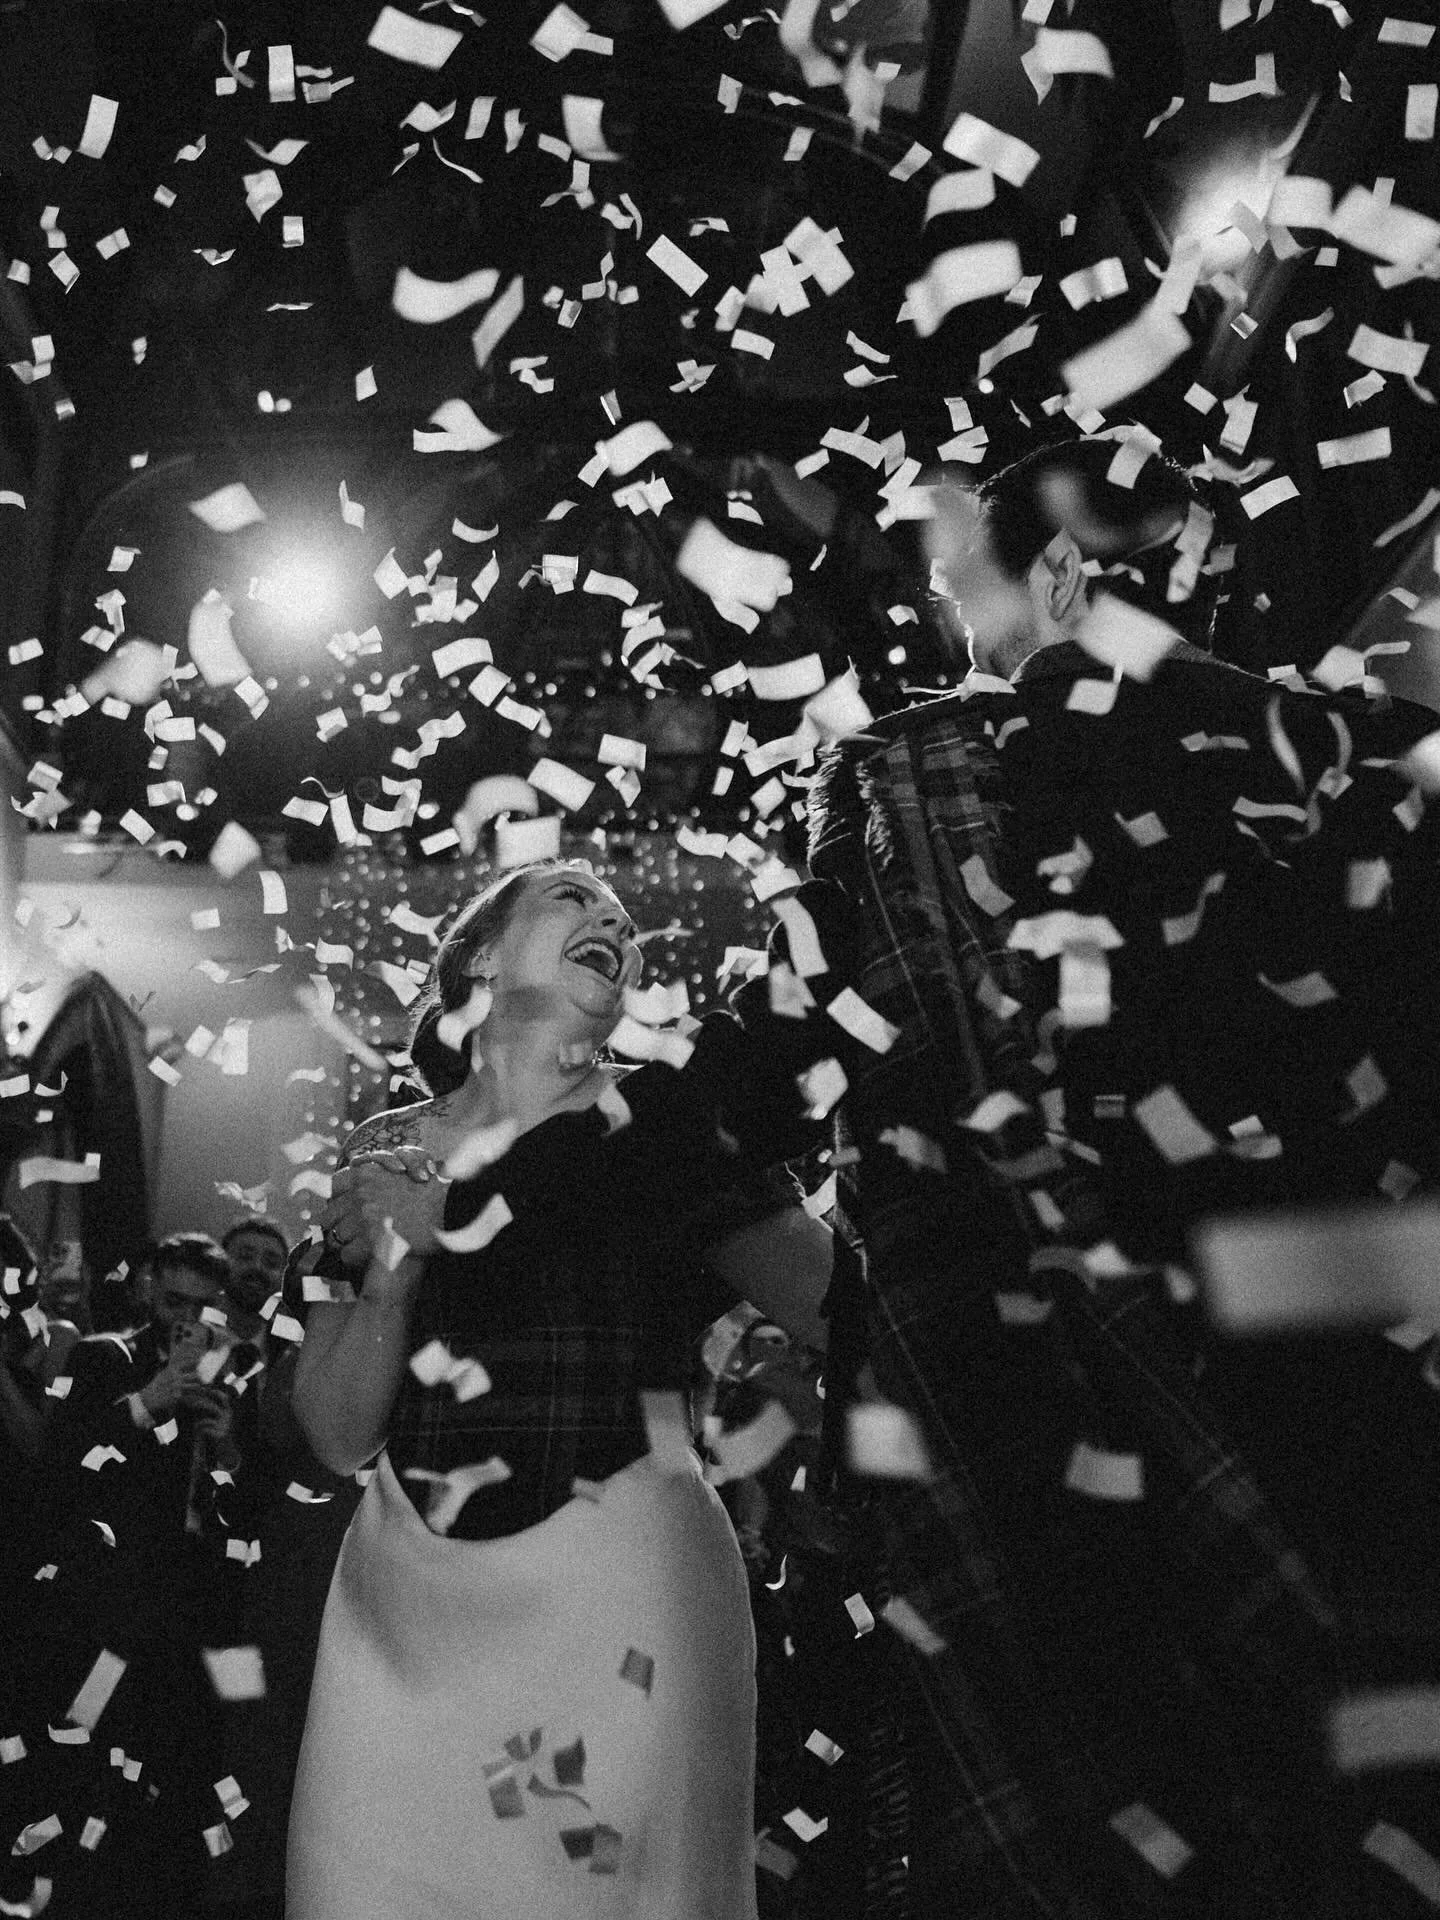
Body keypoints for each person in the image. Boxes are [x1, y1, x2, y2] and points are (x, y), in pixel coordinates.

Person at [794, 434, 1440, 1914]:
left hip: (1101, 1422)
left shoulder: (919, 775)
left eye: (966, 597)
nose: (957, 639)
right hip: (1384, 1377)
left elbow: (899, 1129)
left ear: (1070, 569)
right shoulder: (1378, 749)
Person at [285, 857, 836, 1920]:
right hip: (401, 1611)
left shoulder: (672, 1126)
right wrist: (401, 1269)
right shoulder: (380, 1147)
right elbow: (335, 1432)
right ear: (480, 958)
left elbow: (832, 1307)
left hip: (626, 1585)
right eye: (574, 900)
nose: (617, 925)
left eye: (627, 924)